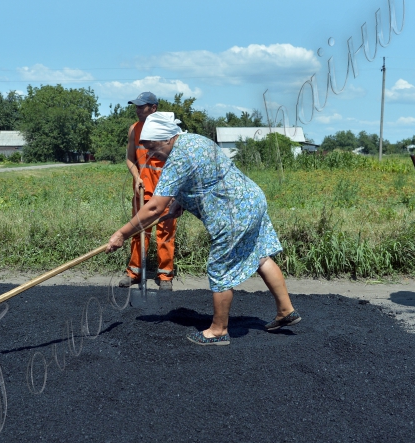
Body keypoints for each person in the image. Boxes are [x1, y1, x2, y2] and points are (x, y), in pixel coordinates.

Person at [106, 111, 301, 346]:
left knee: (219, 269)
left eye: (151, 145)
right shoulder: (195, 140)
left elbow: (153, 208)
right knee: (259, 255)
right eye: (144, 146)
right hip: (251, 200)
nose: (148, 151)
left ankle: (218, 331)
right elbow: (202, 176)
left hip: (232, 214)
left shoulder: (177, 157)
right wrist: (179, 203)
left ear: (167, 139)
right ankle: (285, 310)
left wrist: (121, 234)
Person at [118, 92, 178, 292]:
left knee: (166, 233)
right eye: (135, 106)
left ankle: (165, 275)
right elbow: (129, 158)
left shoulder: (166, 130)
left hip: (165, 192)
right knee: (138, 230)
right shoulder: (134, 129)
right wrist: (136, 178)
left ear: (153, 108)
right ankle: (133, 273)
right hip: (142, 191)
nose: (137, 110)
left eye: (141, 106)